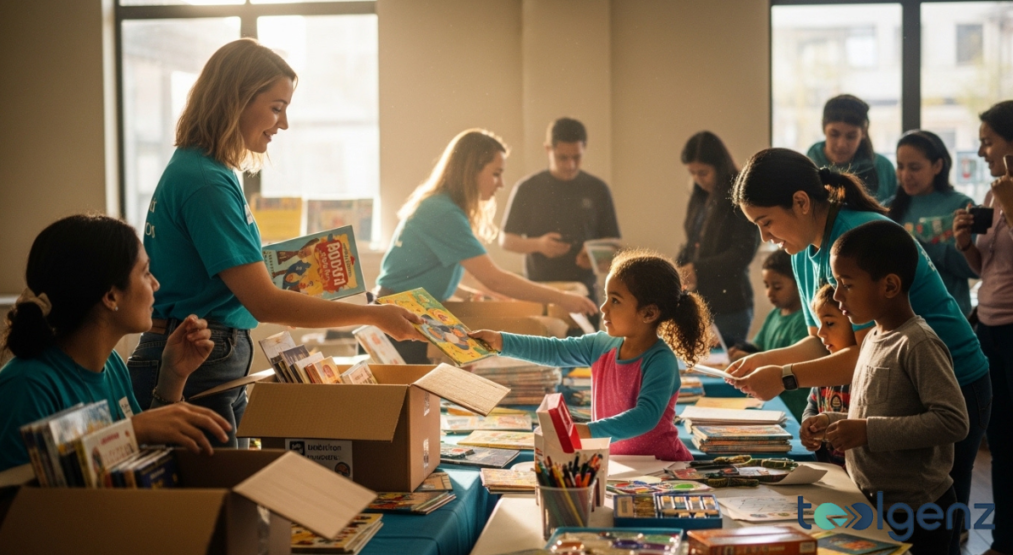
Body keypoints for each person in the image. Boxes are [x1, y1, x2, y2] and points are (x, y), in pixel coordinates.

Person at [131, 39, 422, 448]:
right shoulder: (205, 181)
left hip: (211, 352)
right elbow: (264, 303)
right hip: (198, 354)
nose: (282, 124)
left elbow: (244, 279)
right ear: (236, 99)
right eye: (276, 107)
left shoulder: (210, 171)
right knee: (223, 495)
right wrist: (372, 315)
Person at [727, 148, 991, 530]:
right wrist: (764, 360)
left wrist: (785, 377)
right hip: (891, 390)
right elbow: (825, 339)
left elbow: (864, 351)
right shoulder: (803, 251)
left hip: (951, 381)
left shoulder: (854, 239)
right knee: (886, 523)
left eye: (766, 222)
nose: (765, 237)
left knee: (936, 519)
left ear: (801, 202)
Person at [0, 215, 233, 472]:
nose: (156, 284)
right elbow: (14, 500)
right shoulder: (27, 385)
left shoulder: (112, 366)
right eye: (145, 273)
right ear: (111, 296)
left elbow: (132, 463)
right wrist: (133, 430)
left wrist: (173, 376)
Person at [804, 221, 968, 555]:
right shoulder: (874, 337)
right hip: (874, 500)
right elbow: (876, 410)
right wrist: (833, 420)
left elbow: (953, 421)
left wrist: (867, 431)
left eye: (847, 284)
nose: (837, 295)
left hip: (920, 510)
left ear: (890, 286)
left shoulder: (918, 343)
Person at [377, 129, 597, 363]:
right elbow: (496, 279)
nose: (501, 183)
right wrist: (562, 298)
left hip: (404, 314)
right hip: (398, 320)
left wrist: (469, 294)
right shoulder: (444, 213)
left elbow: (426, 269)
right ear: (470, 172)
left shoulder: (442, 206)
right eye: (496, 174)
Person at [471, 251, 711, 461]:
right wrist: (501, 341)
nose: (604, 308)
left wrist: (586, 432)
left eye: (615, 301)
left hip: (660, 466)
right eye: (606, 297)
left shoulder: (660, 360)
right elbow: (554, 351)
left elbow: (645, 417)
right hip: (616, 464)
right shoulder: (601, 345)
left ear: (649, 313)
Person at [953, 100, 1013, 555]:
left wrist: (1012, 203)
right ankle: (1004, 543)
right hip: (991, 328)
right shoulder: (995, 192)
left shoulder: (1010, 194)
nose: (980, 151)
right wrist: (964, 245)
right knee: (1001, 442)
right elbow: (988, 269)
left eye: (987, 141)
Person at [500, 117, 620, 304]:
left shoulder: (598, 189)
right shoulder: (527, 188)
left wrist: (595, 255)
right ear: (548, 149)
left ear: (584, 149)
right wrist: (538, 245)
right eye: (562, 157)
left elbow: (612, 241)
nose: (570, 165)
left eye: (576, 157)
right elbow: (506, 240)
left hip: (585, 292)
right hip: (538, 292)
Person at [675, 131, 759, 347]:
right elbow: (692, 242)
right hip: (702, 301)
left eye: (703, 172)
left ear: (719, 167)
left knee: (725, 369)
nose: (697, 179)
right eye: (692, 173)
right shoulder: (700, 196)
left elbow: (742, 253)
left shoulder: (740, 192)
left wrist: (697, 269)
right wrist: (675, 268)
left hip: (730, 305)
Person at [887, 130, 976, 316]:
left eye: (914, 168)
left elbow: (975, 267)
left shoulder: (960, 206)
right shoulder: (887, 209)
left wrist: (928, 250)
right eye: (900, 166)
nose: (905, 175)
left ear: (937, 166)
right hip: (900, 318)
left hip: (949, 317)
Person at [728, 249, 809, 417]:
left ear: (799, 282)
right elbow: (758, 348)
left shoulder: (804, 322)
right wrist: (741, 352)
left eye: (777, 287)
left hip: (793, 407)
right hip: (769, 400)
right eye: (767, 285)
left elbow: (795, 365)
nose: (769, 293)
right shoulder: (775, 314)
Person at [799, 284, 855, 468]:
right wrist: (808, 423)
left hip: (855, 473)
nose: (821, 333)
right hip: (831, 468)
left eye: (829, 323)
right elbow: (812, 404)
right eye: (819, 324)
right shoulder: (825, 368)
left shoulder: (860, 373)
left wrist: (827, 421)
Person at [806, 94, 897, 203]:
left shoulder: (883, 168)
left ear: (863, 132)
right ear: (823, 127)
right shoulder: (806, 166)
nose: (841, 144)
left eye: (851, 136)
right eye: (834, 134)